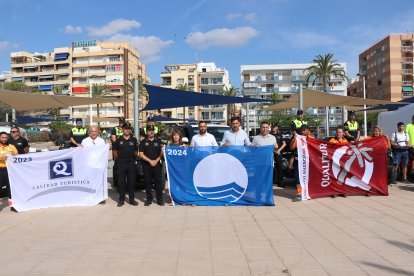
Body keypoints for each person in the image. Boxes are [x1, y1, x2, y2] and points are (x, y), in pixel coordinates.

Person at [112, 123, 139, 207]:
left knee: (131, 182)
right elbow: (114, 151)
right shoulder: (118, 140)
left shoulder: (133, 140)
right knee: (121, 182)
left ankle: (131, 199)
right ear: (122, 130)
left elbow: (136, 151)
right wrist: (118, 159)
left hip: (131, 162)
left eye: (128, 129)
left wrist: (133, 158)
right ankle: (121, 200)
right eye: (125, 129)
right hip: (121, 162)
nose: (127, 130)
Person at [139, 125, 164, 206]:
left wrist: (156, 161)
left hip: (157, 165)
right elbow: (141, 154)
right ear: (147, 132)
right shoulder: (143, 142)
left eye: (152, 130)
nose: (151, 131)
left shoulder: (159, 141)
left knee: (158, 183)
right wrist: (150, 161)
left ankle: (159, 199)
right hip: (146, 165)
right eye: (149, 130)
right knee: (148, 183)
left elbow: (162, 153)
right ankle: (149, 199)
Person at [290, 125, 313, 201]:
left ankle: (306, 193)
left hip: (307, 162)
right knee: (298, 179)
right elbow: (291, 147)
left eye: (305, 130)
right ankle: (299, 194)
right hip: (298, 161)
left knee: (307, 178)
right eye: (302, 130)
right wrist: (295, 139)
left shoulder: (311, 138)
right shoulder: (297, 138)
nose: (304, 131)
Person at [0, 132, 18, 211]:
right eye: (2, 137)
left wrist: (14, 155)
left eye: (6, 137)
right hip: (1, 169)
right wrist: (1, 158)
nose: (4, 139)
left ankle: (12, 205)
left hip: (10, 170)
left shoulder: (11, 146)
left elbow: (16, 155)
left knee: (11, 188)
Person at [329, 125, 348, 198]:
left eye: (340, 132)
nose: (338, 133)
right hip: (334, 162)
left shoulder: (345, 141)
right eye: (337, 132)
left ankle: (341, 191)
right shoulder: (332, 140)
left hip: (342, 162)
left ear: (343, 133)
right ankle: (333, 192)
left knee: (342, 177)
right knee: (334, 177)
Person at [111, 117, 125, 187]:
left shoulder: (127, 128)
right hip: (117, 149)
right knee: (117, 165)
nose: (121, 124)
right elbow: (114, 139)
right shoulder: (115, 129)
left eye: (122, 122)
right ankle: (116, 181)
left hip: (126, 148)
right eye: (120, 122)